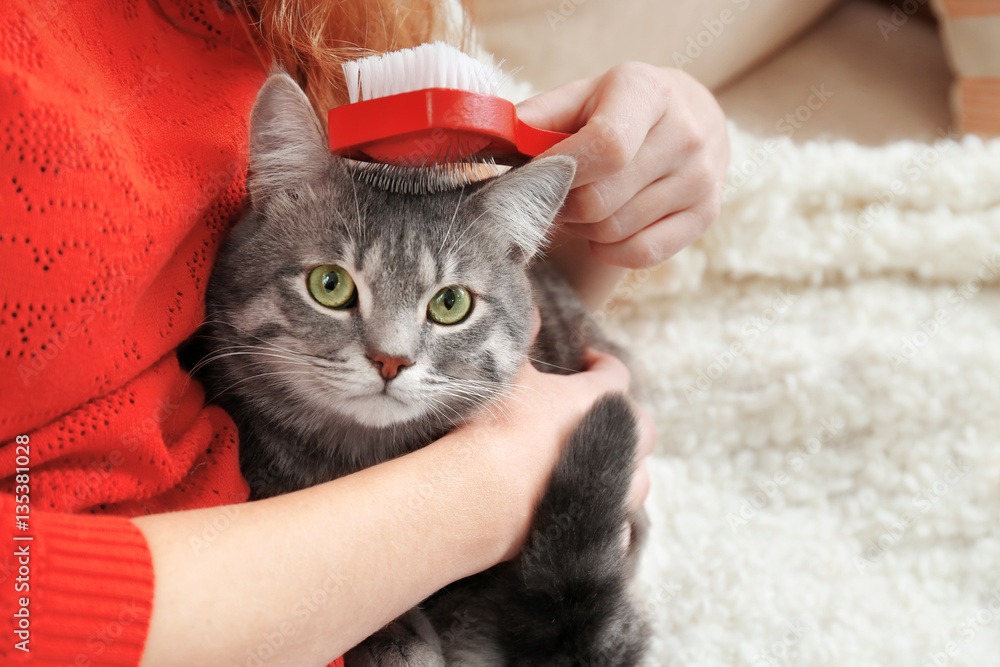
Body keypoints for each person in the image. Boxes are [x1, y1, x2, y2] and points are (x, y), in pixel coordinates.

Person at [0, 1, 729, 665]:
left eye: (440, 309)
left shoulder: (367, 19)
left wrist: (640, 179)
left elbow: (525, 289)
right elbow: (23, 613)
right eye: (334, 288)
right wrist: (483, 490)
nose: (390, 355)